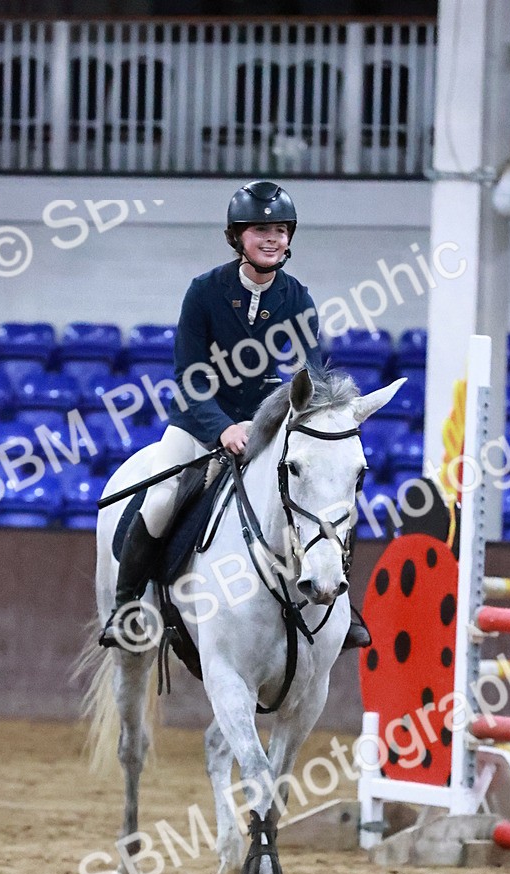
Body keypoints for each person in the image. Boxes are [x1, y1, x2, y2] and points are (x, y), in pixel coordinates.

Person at [100, 179, 370, 651]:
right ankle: (127, 607)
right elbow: (188, 375)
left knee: (322, 490)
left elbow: (314, 375)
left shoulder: (297, 297)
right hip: (198, 420)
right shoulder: (203, 292)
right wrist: (220, 428)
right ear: (236, 236)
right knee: (162, 494)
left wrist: (297, 417)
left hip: (264, 421)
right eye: (260, 229)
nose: (272, 238)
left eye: (281, 230)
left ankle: (340, 608)